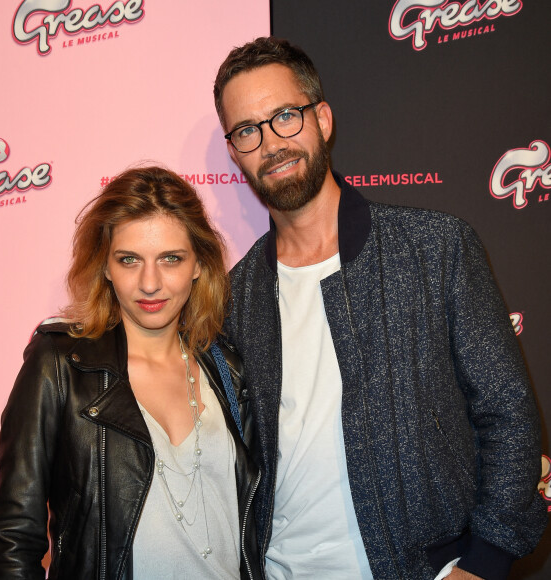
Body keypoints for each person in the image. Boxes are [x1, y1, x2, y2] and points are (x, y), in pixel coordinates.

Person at [213, 37, 547, 580]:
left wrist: (485, 562)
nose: (270, 143)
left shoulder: (436, 249)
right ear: (234, 151)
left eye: (285, 117)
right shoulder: (234, 298)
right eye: (248, 130)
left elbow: (508, 415)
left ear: (322, 119)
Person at [0, 166, 262, 580]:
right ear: (106, 267)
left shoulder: (227, 369)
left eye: (171, 258)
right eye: (129, 259)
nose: (150, 283)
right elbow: (14, 535)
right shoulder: (60, 364)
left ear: (199, 265)